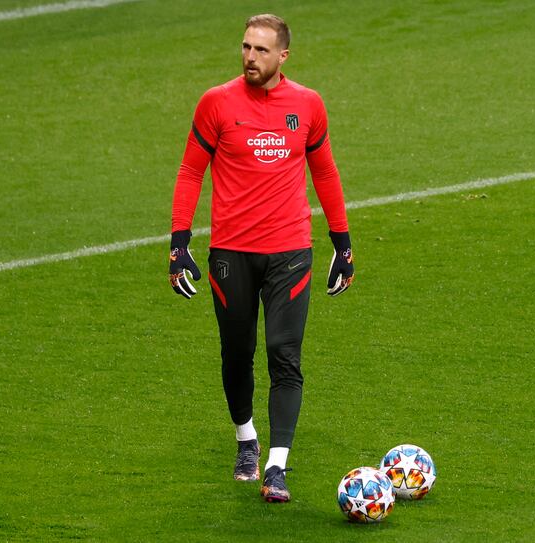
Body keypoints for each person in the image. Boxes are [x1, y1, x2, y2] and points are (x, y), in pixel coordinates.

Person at [168, 13, 353, 503]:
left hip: (290, 250)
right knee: (237, 354)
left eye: (262, 50)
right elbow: (190, 171)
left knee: (284, 355)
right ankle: (245, 437)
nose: (250, 57)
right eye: (246, 47)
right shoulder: (216, 103)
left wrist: (342, 244)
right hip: (231, 253)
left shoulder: (308, 105)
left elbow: (326, 174)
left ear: (283, 56)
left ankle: (276, 466)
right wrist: (178, 244)